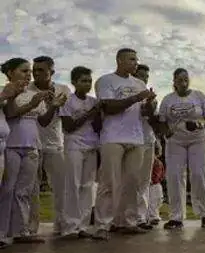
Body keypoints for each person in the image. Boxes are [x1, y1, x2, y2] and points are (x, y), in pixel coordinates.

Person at [93, 48, 156, 240]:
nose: (135, 63)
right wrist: (137, 98)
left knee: (132, 183)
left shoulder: (138, 83)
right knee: (109, 182)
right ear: (119, 60)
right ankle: (103, 225)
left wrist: (149, 105)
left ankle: (129, 222)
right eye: (131, 59)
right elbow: (109, 107)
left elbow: (145, 113)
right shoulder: (105, 81)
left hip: (136, 138)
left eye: (136, 60)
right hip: (113, 137)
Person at [0, 58, 52, 247]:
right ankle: (2, 233)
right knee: (7, 189)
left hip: (32, 145)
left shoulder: (33, 93)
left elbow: (42, 119)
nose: (28, 74)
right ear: (10, 73)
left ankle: (21, 231)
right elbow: (11, 114)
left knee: (24, 191)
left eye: (29, 71)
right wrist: (22, 99)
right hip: (11, 145)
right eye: (23, 71)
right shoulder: (5, 91)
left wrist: (54, 105)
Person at [158, 68, 205, 230]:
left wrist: (199, 123)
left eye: (185, 79)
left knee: (198, 174)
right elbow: (161, 120)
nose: (183, 82)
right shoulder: (168, 100)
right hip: (176, 141)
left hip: (198, 139)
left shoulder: (198, 96)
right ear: (174, 82)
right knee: (175, 176)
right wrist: (166, 131)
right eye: (179, 80)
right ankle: (176, 217)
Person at [27, 56, 70, 236]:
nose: (36, 74)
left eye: (41, 70)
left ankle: (61, 225)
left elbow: (65, 116)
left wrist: (55, 104)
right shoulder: (27, 90)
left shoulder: (63, 89)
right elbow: (41, 120)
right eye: (34, 70)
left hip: (55, 144)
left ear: (51, 72)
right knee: (31, 188)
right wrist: (49, 104)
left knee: (61, 187)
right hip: (31, 144)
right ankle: (30, 228)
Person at [59, 66, 101, 239]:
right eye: (83, 81)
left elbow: (98, 127)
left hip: (91, 146)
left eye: (89, 81)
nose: (87, 84)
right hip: (74, 145)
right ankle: (70, 226)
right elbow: (68, 126)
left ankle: (83, 226)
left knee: (87, 186)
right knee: (73, 185)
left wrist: (98, 114)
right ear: (74, 82)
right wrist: (91, 113)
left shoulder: (93, 101)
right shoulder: (67, 101)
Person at [133, 64, 159, 230]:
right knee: (130, 180)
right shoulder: (128, 93)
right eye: (140, 75)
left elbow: (151, 118)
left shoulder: (151, 96)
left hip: (148, 140)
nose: (143, 79)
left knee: (144, 181)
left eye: (146, 76)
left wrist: (157, 142)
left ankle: (140, 217)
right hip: (132, 141)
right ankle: (123, 216)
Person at [147, 152, 165, 226]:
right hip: (155, 185)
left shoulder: (156, 163)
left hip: (154, 185)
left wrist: (151, 180)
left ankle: (153, 217)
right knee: (153, 203)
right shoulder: (158, 162)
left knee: (153, 202)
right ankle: (153, 216)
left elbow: (157, 176)